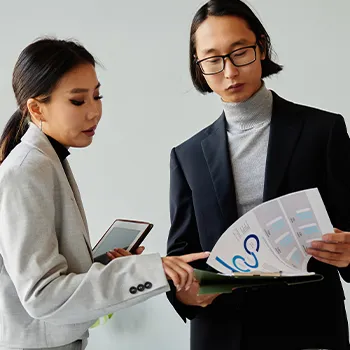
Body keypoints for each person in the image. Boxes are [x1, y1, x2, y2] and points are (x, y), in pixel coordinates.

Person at [0, 38, 209, 350]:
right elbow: (42, 296)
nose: (94, 112)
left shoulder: (47, 161)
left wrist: (107, 267)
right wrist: (150, 270)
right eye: (77, 101)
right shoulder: (26, 171)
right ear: (35, 108)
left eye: (97, 96)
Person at [166, 1, 350, 349]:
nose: (230, 72)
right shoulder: (187, 155)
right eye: (213, 60)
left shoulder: (322, 131)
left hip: (308, 327)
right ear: (199, 66)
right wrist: (186, 296)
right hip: (222, 332)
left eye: (240, 53)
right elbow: (182, 254)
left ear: (261, 47)